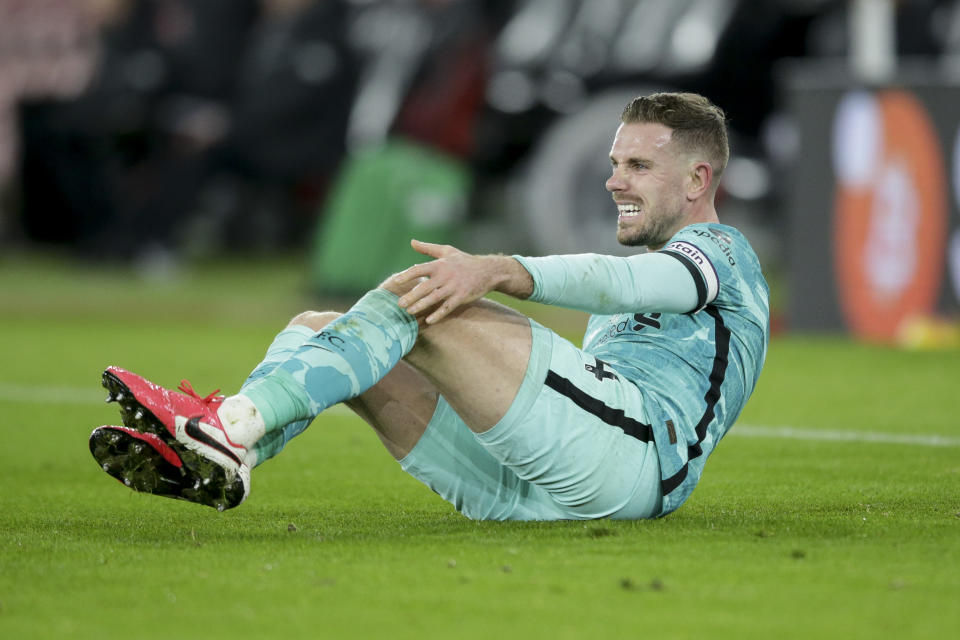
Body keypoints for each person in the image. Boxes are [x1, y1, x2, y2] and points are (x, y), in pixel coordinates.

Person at [89, 92, 769, 520]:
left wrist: (499, 268)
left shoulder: (723, 253)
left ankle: (230, 424)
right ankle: (218, 456)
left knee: (425, 295)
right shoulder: (663, 268)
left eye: (637, 167)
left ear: (698, 179)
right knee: (317, 328)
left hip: (635, 463)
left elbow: (629, 285)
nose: (613, 179)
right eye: (617, 162)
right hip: (530, 487)